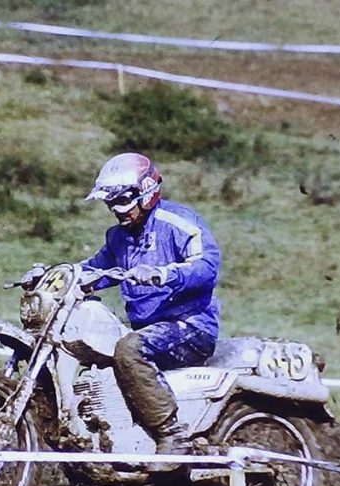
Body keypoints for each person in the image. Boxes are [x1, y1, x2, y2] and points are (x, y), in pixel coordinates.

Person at [26, 152, 221, 465]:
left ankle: (173, 434)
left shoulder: (178, 222)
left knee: (129, 349)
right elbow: (95, 269)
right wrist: (51, 276)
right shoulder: (119, 237)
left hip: (190, 326)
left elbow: (207, 265)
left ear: (145, 192)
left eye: (122, 201)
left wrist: (165, 273)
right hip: (148, 329)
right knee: (102, 348)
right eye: (111, 203)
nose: (117, 210)